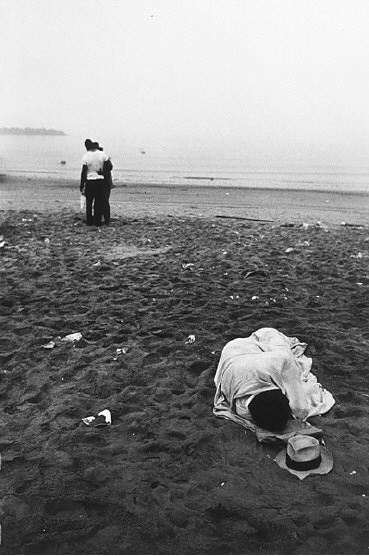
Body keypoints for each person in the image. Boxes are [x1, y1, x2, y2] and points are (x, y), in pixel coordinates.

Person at [213, 327, 335, 433]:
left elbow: (287, 359)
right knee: (275, 341)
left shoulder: (269, 365)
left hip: (238, 350)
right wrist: (299, 410)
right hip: (237, 355)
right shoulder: (242, 410)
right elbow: (299, 407)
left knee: (270, 334)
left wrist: (297, 406)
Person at [80, 139, 111, 226]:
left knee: (89, 202)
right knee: (98, 201)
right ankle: (97, 221)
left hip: (90, 181)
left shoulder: (86, 156)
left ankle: (89, 220)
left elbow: (83, 171)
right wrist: (103, 174)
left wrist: (82, 184)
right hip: (100, 180)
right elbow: (109, 166)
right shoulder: (102, 154)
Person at [94, 142, 113, 225]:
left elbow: (109, 168)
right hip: (103, 183)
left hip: (103, 183)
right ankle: (103, 219)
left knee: (102, 202)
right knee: (102, 201)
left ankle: (104, 219)